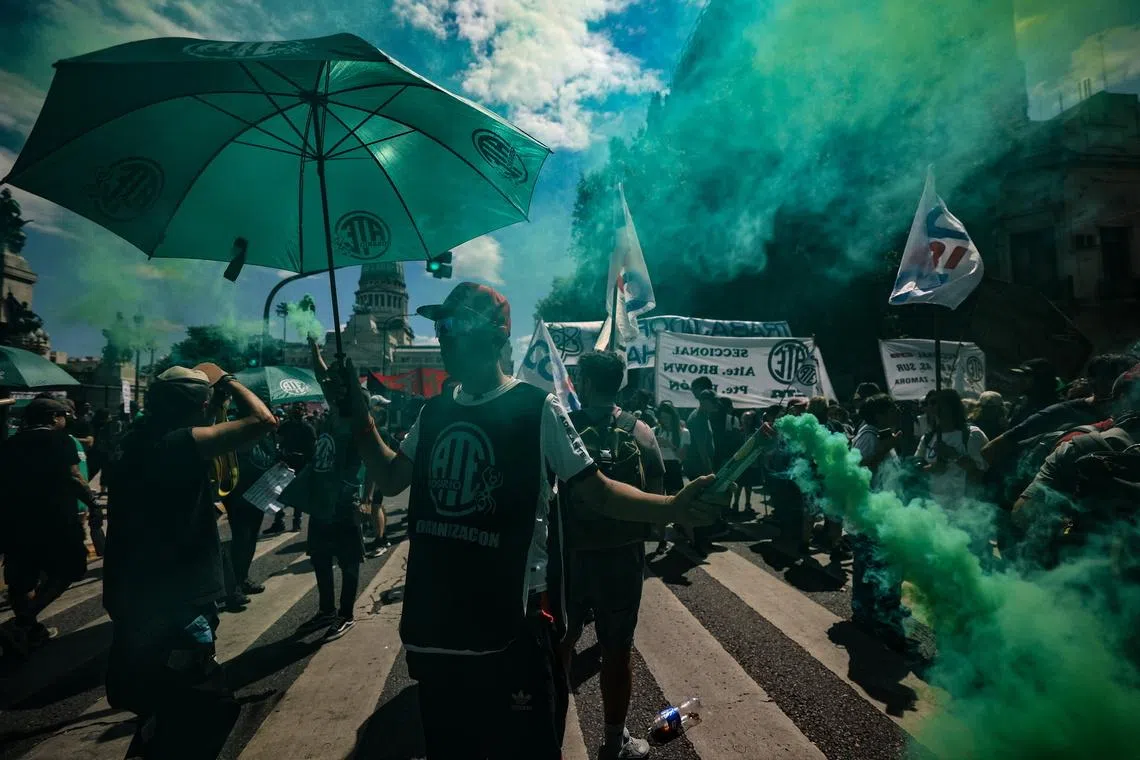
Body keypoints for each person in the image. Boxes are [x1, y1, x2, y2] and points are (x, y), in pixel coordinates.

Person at [341, 282, 721, 760]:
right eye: (438, 326)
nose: (441, 337)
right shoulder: (434, 412)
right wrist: (355, 412)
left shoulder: (537, 409)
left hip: (512, 631)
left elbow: (597, 490)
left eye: (451, 326)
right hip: (438, 634)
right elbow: (391, 477)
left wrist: (671, 508)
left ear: (492, 338)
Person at [102, 364, 276, 759]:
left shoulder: (137, 440)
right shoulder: (177, 444)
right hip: (175, 599)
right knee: (200, 708)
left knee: (159, 699)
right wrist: (228, 378)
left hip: (136, 593)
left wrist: (213, 401)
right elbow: (263, 420)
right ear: (196, 404)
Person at [563, 350, 666, 760]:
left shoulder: (563, 425)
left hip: (571, 556)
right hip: (622, 558)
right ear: (620, 383)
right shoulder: (640, 431)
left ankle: (550, 722)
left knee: (563, 641)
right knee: (616, 651)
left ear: (583, 383)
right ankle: (613, 739)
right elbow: (656, 494)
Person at [279, 339, 367, 641]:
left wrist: (348, 375)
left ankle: (345, 613)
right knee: (320, 555)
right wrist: (316, 349)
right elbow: (322, 375)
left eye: (335, 383)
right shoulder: (331, 409)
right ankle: (326, 609)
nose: (328, 386)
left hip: (343, 501)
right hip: (321, 499)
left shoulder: (356, 410)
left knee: (349, 560)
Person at [0, 398, 97, 652]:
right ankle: (23, 621)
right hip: (54, 521)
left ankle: (29, 630)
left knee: (21, 580)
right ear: (54, 417)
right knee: (69, 569)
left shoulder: (10, 443)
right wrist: (93, 503)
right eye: (64, 415)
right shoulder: (60, 439)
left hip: (15, 522)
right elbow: (74, 477)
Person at [849, 393, 908, 650]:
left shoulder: (879, 433)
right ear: (880, 412)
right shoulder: (870, 436)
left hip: (881, 512)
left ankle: (872, 615)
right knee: (879, 567)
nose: (897, 411)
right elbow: (859, 469)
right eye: (891, 408)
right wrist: (885, 447)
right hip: (872, 515)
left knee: (874, 566)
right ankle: (878, 620)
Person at [221, 429, 278, 610]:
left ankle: (243, 579)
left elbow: (269, 458)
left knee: (252, 536)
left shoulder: (265, 436)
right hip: (238, 494)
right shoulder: (237, 432)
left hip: (259, 491)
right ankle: (233, 589)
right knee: (241, 539)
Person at [915, 389, 989, 507]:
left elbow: (980, 474)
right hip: (934, 507)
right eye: (928, 403)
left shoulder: (972, 435)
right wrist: (931, 468)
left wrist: (954, 455)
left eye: (936, 402)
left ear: (951, 405)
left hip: (965, 508)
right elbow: (916, 468)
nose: (931, 407)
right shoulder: (928, 438)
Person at [268, 403, 315, 534]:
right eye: (295, 409)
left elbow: (312, 448)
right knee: (279, 493)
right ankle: (278, 522)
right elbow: (278, 440)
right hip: (285, 462)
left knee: (298, 493)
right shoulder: (286, 426)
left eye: (299, 409)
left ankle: (297, 521)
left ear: (304, 411)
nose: (297, 411)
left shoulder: (308, 428)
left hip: (301, 463)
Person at [362, 395, 397, 558]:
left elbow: (379, 458)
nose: (385, 410)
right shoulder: (377, 429)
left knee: (375, 507)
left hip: (376, 475)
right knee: (377, 507)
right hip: (376, 475)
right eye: (381, 406)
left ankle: (380, 540)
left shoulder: (380, 431)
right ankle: (382, 536)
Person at [1006, 358, 1061, 428]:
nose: (1020, 380)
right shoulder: (1022, 400)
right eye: (1019, 376)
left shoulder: (1054, 408)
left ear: (1041, 380)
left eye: (1026, 375)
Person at [684, 377, 716, 478]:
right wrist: (709, 471)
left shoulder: (704, 415)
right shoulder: (699, 418)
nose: (716, 405)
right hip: (699, 468)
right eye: (713, 402)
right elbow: (701, 448)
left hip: (699, 466)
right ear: (705, 402)